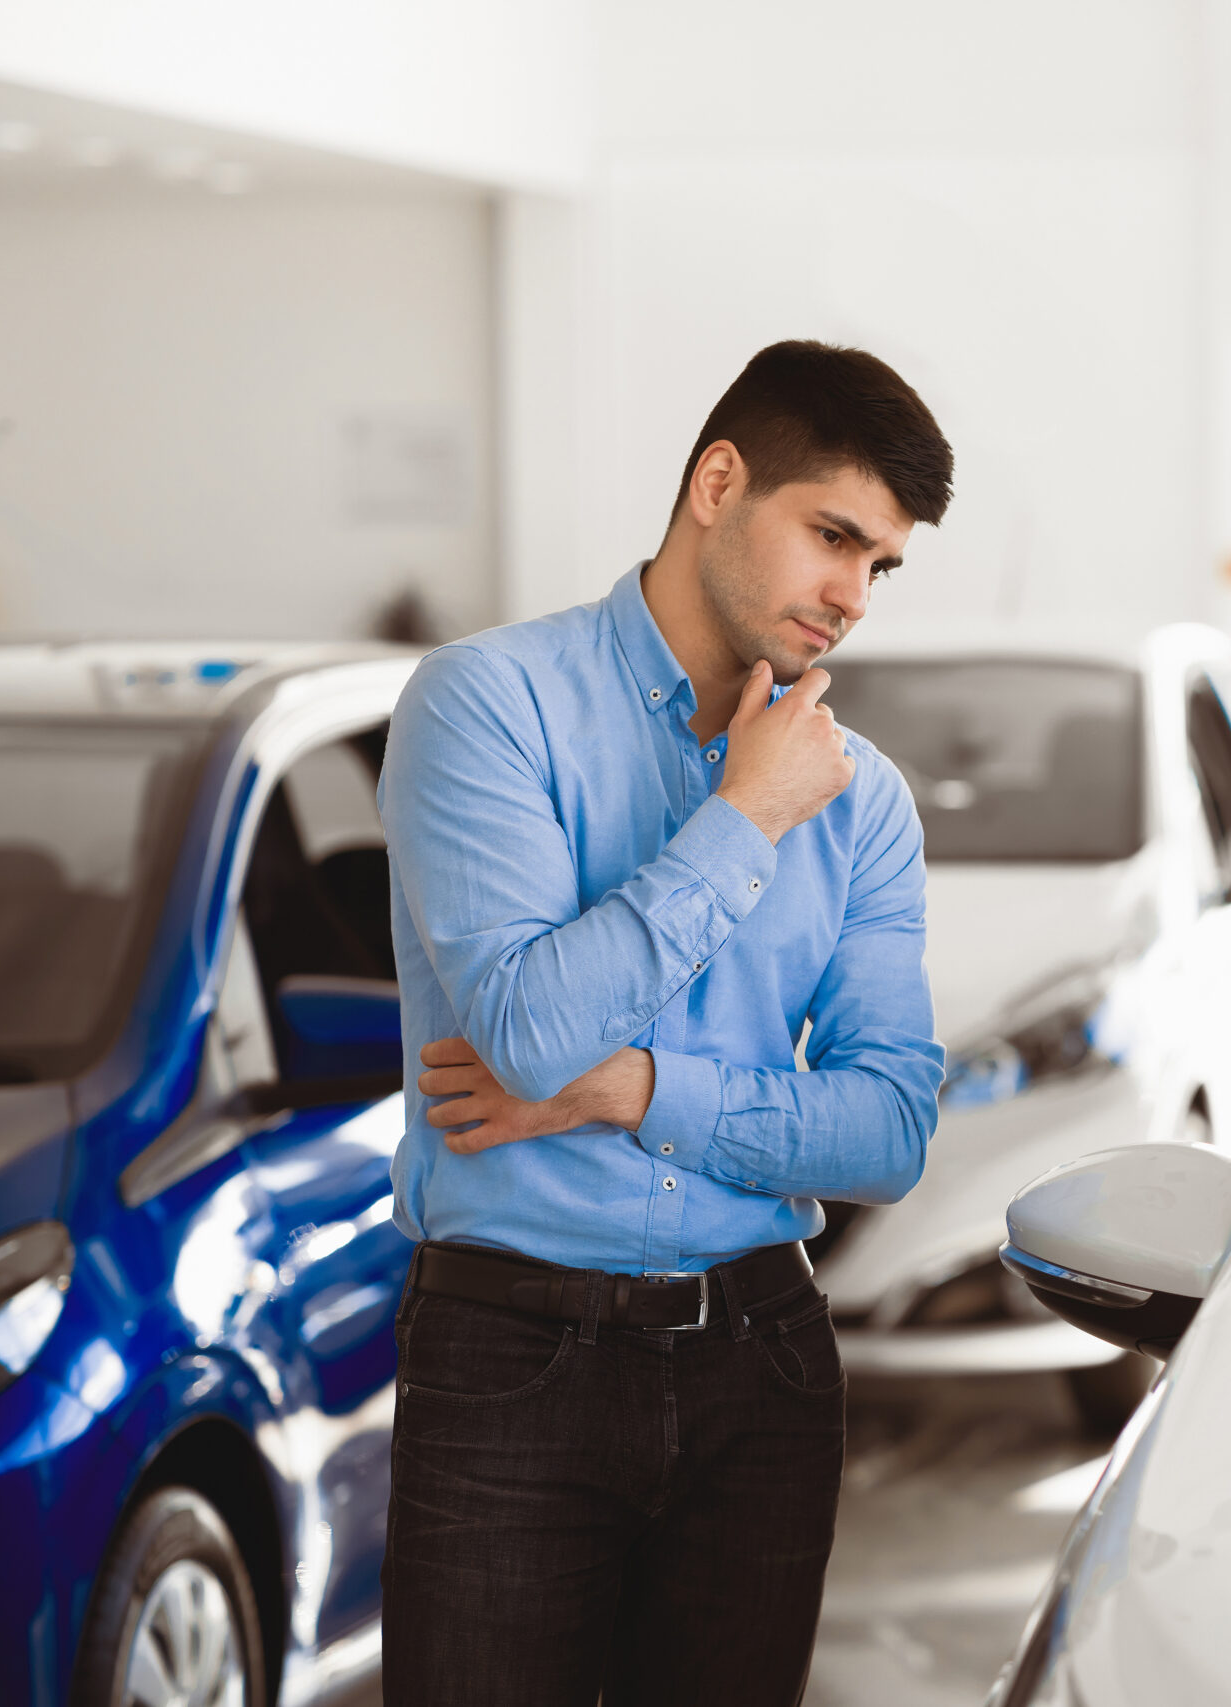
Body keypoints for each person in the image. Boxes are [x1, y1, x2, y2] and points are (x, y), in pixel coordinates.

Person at [375, 341, 953, 1706]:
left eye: (881, 565)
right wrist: (744, 814)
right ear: (717, 482)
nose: (852, 597)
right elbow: (523, 1033)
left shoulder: (863, 800)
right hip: (512, 1361)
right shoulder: (486, 708)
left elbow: (890, 1133)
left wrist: (632, 1087)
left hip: (764, 1369)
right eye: (832, 538)